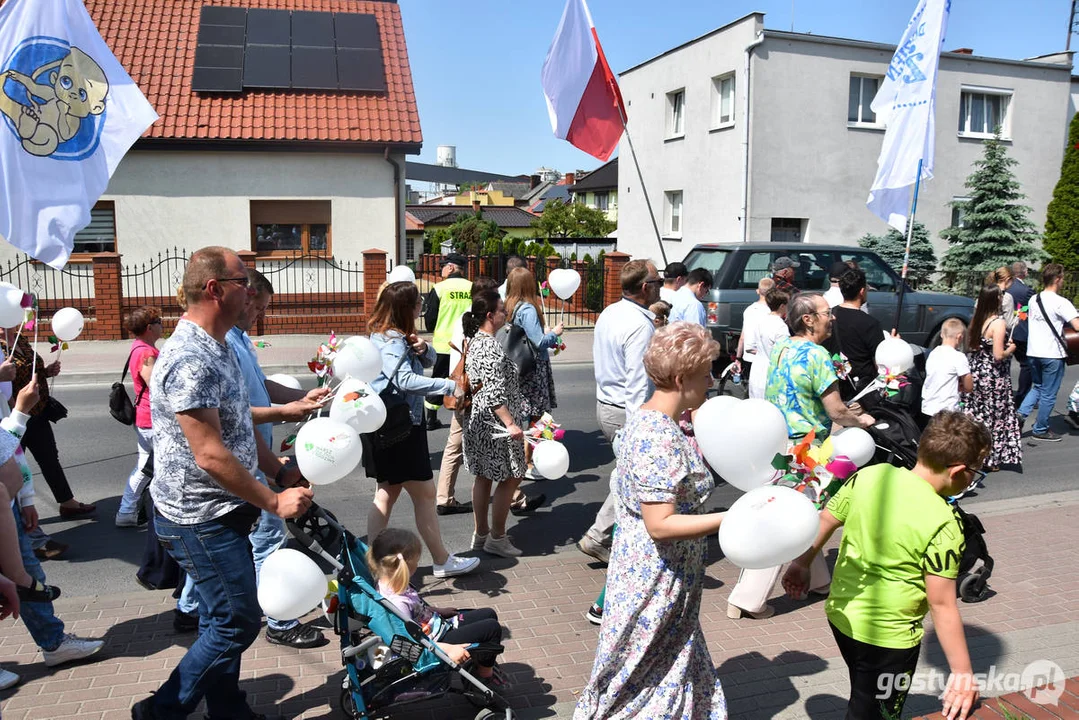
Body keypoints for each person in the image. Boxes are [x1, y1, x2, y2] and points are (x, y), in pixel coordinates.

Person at [132, 247, 315, 720]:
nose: (251, 292)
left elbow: (237, 425)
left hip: (221, 509)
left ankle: (228, 709)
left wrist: (280, 470)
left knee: (220, 618)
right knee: (237, 621)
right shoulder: (192, 357)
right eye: (243, 283)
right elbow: (211, 453)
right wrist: (275, 501)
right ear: (215, 289)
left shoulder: (221, 344)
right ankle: (160, 712)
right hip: (197, 518)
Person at [783, 411, 989, 720]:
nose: (973, 477)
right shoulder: (944, 522)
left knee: (864, 691)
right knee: (876, 713)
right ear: (958, 470)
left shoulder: (872, 474)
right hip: (889, 640)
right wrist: (962, 673)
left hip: (843, 616)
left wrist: (802, 563)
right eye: (975, 471)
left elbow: (826, 518)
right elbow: (942, 604)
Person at [574, 323, 727, 719]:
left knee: (664, 667)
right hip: (655, 578)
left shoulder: (659, 424)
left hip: (668, 576)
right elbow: (660, 524)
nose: (711, 381)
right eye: (705, 373)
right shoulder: (655, 434)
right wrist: (730, 518)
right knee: (637, 678)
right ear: (681, 378)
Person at [367, 281, 479, 578]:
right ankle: (441, 560)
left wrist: (423, 347)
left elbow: (426, 361)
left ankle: (372, 565)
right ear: (407, 308)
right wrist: (447, 385)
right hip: (402, 428)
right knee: (423, 494)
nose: (422, 307)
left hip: (389, 426)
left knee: (387, 495)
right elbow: (404, 381)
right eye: (418, 303)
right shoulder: (393, 342)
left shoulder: (388, 336)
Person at [5, 378, 103, 682]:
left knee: (29, 575)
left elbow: (9, 451)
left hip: (8, 507)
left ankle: (54, 642)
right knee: (26, 577)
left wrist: (26, 498)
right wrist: (21, 411)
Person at [577, 260, 660, 565]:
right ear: (644, 288)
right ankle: (601, 535)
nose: (660, 286)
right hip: (627, 411)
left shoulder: (612, 312)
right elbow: (637, 382)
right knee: (635, 478)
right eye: (657, 282)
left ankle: (601, 535)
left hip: (608, 405)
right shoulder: (639, 325)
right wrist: (643, 425)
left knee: (630, 476)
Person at [367, 528, 506, 683]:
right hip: (438, 641)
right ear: (405, 565)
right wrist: (449, 649)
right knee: (492, 628)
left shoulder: (388, 582)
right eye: (417, 561)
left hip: (438, 626)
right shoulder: (398, 604)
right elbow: (412, 643)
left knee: (488, 614)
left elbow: (417, 609)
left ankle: (481, 659)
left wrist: (438, 611)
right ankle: (485, 676)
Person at [462, 290, 528, 557]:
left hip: (481, 420)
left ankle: (481, 535)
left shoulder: (478, 340)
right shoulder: (488, 345)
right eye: (502, 310)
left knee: (485, 476)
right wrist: (511, 424)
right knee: (512, 475)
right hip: (495, 424)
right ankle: (497, 537)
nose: (505, 313)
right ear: (490, 316)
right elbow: (493, 393)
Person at [3, 327, 95, 519]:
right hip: (13, 415)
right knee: (13, 465)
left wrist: (46, 372)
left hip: (37, 410)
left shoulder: (21, 339)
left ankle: (67, 502)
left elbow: (30, 370)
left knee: (49, 458)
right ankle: (14, 515)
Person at [765, 293, 875, 440]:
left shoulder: (782, 345)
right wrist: (861, 420)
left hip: (776, 438)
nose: (833, 317)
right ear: (808, 320)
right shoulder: (816, 354)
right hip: (804, 447)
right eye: (827, 313)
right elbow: (836, 411)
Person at [437, 276, 497, 516]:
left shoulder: (464, 317)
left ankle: (443, 496)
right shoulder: (484, 322)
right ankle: (514, 496)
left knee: (455, 444)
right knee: (498, 441)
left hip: (461, 389)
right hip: (478, 392)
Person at [505, 266, 564, 479]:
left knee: (526, 416)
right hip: (533, 368)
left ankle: (522, 462)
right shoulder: (528, 309)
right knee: (540, 417)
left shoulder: (510, 306)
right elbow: (539, 342)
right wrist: (554, 334)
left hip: (519, 367)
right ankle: (533, 463)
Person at [1017, 263, 1079, 442]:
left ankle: (1020, 415)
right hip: (1052, 353)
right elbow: (1076, 326)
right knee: (1049, 393)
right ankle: (1041, 428)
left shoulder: (1034, 299)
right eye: (1063, 278)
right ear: (1057, 279)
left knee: (1037, 387)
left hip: (1033, 351)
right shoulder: (1061, 302)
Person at [962, 285, 1021, 471]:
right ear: (997, 299)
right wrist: (1010, 348)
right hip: (994, 376)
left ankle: (972, 452)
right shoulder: (998, 323)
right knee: (995, 416)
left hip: (977, 370)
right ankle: (990, 459)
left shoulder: (977, 319)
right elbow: (998, 355)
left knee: (978, 414)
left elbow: (970, 345)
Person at [116, 306, 163, 528]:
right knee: (147, 468)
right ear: (149, 328)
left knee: (149, 466)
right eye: (159, 321)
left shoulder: (140, 347)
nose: (162, 324)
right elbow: (157, 386)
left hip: (146, 417)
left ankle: (136, 510)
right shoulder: (146, 353)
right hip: (151, 419)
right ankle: (127, 511)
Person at [423, 253, 472, 430]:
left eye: (443, 266)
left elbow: (429, 320)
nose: (441, 269)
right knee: (467, 380)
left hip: (444, 345)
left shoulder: (439, 288)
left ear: (450, 267)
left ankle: (431, 418)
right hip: (467, 345)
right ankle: (465, 416)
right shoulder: (472, 287)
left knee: (438, 380)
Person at [822, 267, 886, 403]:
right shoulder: (870, 323)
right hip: (862, 391)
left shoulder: (828, 316)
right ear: (862, 291)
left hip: (834, 386)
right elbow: (880, 363)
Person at [921, 319, 973, 427]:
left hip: (928, 407)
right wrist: (962, 386)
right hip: (946, 409)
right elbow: (969, 386)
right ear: (959, 337)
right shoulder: (958, 357)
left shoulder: (933, 354)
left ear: (941, 334)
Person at [746, 288, 790, 400]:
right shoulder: (781, 326)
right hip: (771, 372)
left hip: (757, 369)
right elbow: (783, 354)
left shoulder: (760, 321)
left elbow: (750, 345)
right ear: (782, 306)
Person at [734, 277, 774, 383]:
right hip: (765, 358)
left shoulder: (749, 310)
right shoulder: (771, 312)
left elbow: (742, 337)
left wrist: (738, 359)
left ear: (758, 291)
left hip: (748, 357)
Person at [1006, 261, 1035, 407]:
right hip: (1019, 332)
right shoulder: (1026, 290)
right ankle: (1022, 396)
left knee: (1004, 364)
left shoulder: (1006, 287)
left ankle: (1004, 395)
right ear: (1023, 272)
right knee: (1026, 365)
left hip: (1002, 330)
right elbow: (1026, 311)